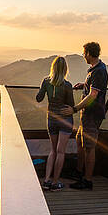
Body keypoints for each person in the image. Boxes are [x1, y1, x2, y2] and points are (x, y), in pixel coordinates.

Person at [62, 42, 108, 190]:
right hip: (87, 114)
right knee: (80, 142)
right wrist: (84, 85)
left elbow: (93, 96)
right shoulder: (95, 70)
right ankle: (79, 172)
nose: (83, 56)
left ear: (89, 53)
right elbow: (94, 88)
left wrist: (74, 109)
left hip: (92, 115)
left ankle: (87, 181)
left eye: (84, 53)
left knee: (89, 147)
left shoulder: (98, 71)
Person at [36, 56, 75, 191]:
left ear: (52, 68)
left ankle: (46, 180)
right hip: (65, 120)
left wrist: (43, 88)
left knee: (53, 150)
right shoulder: (67, 85)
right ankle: (55, 182)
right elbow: (71, 105)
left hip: (51, 119)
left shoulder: (46, 82)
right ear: (65, 70)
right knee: (61, 152)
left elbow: (38, 98)